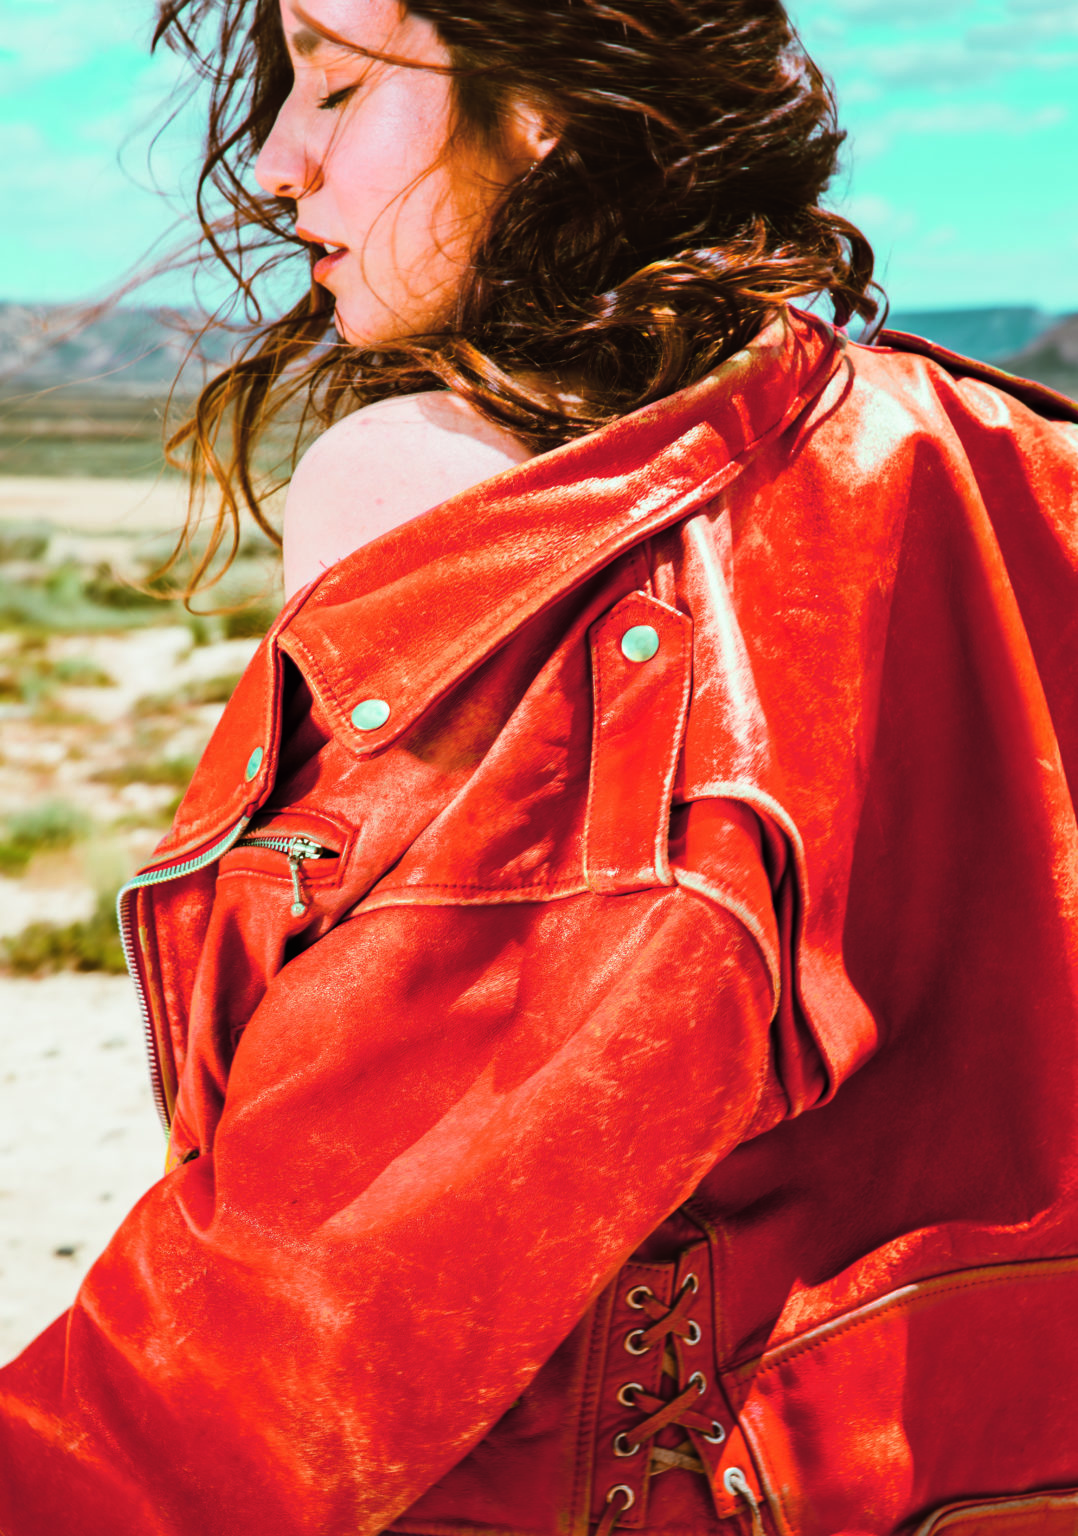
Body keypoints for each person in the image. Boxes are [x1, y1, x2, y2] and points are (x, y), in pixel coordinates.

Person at [2, 0, 1078, 1532]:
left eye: (336, 83)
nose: (273, 160)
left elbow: (312, 1318)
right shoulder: (1000, 452)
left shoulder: (453, 495)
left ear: (545, 108)